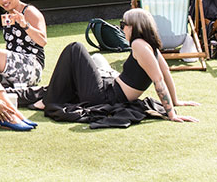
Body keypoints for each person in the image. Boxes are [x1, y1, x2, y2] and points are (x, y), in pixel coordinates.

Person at [33, 8, 199, 123]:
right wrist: (175, 102)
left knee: (75, 48)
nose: (122, 29)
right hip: (111, 88)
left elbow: (159, 81)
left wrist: (171, 114)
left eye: (122, 25)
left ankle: (48, 100)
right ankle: (53, 94)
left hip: (106, 96)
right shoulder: (150, 46)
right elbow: (165, 74)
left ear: (132, 27)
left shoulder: (139, 46)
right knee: (97, 58)